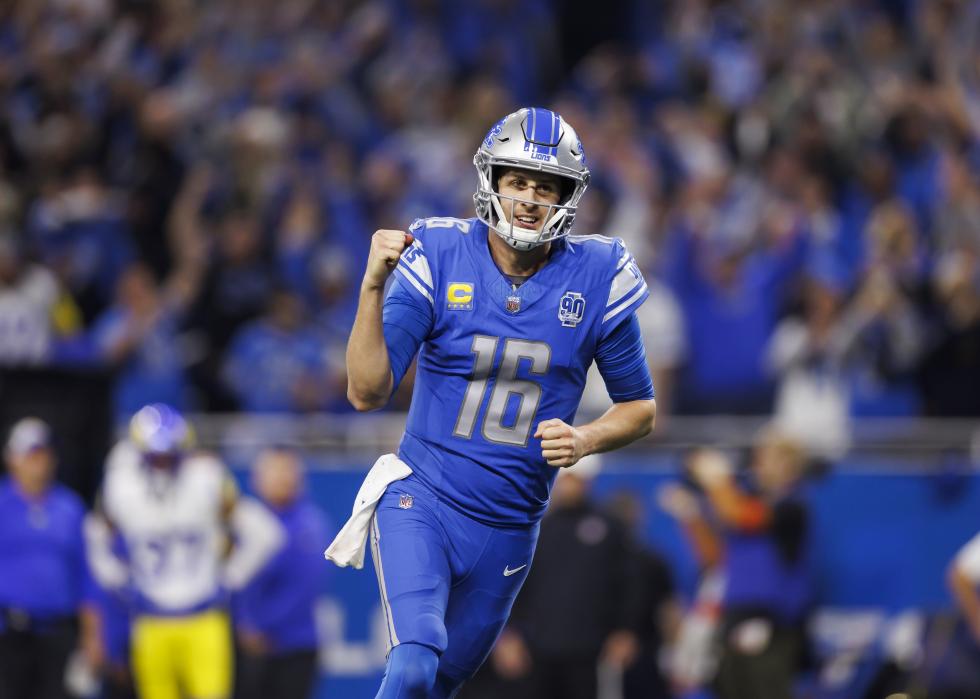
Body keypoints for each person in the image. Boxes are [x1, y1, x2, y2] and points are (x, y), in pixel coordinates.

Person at [327, 107, 657, 698]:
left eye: (546, 186)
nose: (530, 199)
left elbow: (640, 407)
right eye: (518, 182)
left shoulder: (598, 272)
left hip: (510, 526)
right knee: (412, 666)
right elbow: (365, 391)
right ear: (492, 184)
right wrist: (372, 287)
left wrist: (586, 439)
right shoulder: (437, 251)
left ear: (568, 195)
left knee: (438, 687)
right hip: (421, 497)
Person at [86, 404, 285, 699]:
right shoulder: (121, 485)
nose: (162, 463)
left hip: (202, 614)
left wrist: (232, 576)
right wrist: (118, 579)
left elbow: (264, 532)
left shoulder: (206, 479)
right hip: (150, 618)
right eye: (155, 456)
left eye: (168, 455)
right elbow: (94, 536)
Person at [686, 430, 815, 699]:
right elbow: (714, 557)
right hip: (735, 615)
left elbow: (742, 517)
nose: (759, 464)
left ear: (790, 465)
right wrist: (692, 515)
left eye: (769, 457)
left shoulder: (792, 506)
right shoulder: (750, 499)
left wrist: (717, 479)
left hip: (772, 621)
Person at [0, 417, 101, 699]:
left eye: (44, 453)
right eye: (31, 454)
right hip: (9, 632)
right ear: (12, 459)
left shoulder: (69, 507)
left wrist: (92, 637)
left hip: (58, 632)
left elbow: (87, 576)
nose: (39, 461)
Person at [234, 447, 331, 699]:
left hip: (293, 645)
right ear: (257, 478)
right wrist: (243, 625)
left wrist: (260, 627)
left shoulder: (308, 524)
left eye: (286, 470)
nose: (280, 478)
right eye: (272, 471)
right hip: (246, 645)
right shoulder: (244, 521)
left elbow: (302, 587)